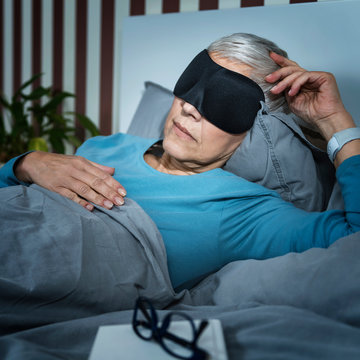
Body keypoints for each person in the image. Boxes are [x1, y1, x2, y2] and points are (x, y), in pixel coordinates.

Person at [1, 33, 360, 290]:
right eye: (192, 81)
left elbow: (353, 243)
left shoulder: (242, 212)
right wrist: (24, 165)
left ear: (256, 126)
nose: (190, 106)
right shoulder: (105, 146)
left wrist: (334, 122)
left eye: (225, 100)